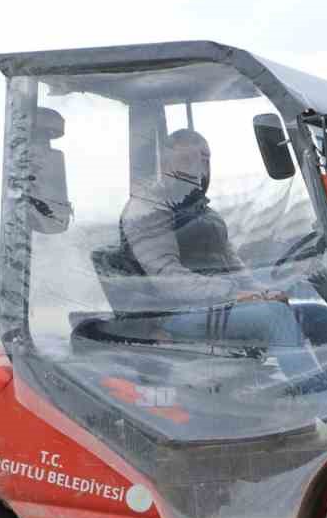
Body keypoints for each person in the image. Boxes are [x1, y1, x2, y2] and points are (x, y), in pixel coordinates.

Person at [119, 129, 315, 369]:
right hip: (172, 315)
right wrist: (233, 294)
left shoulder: (203, 212)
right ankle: (315, 396)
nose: (198, 169)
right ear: (164, 164)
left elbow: (233, 265)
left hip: (215, 304)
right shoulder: (148, 210)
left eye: (204, 160)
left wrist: (263, 292)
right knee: (274, 317)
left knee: (317, 316)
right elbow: (168, 280)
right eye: (187, 160)